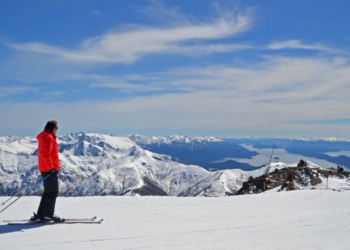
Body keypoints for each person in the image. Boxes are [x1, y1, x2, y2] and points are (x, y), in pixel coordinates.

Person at [31, 120, 65, 222]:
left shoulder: (45, 137)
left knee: (48, 192)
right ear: (53, 128)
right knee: (53, 192)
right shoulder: (49, 137)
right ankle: (48, 215)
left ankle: (42, 214)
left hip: (45, 168)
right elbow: (46, 154)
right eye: (56, 128)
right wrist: (52, 168)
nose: (57, 130)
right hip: (49, 169)